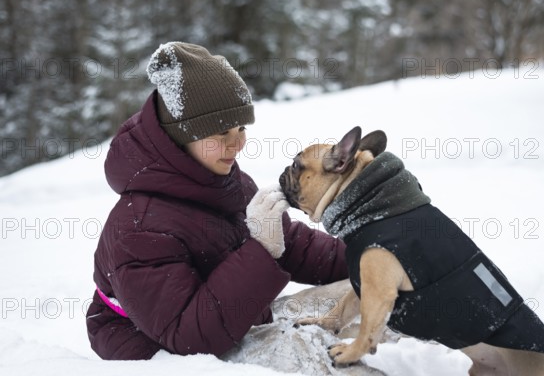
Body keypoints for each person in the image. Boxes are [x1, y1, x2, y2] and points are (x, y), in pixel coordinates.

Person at [86, 42, 348, 360]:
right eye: (221, 132)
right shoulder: (140, 227)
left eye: (240, 128)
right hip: (163, 353)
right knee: (319, 354)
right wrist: (261, 251)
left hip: (230, 321)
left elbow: (289, 243)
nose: (238, 144)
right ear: (181, 135)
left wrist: (368, 254)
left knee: (359, 297)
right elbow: (188, 337)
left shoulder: (223, 180)